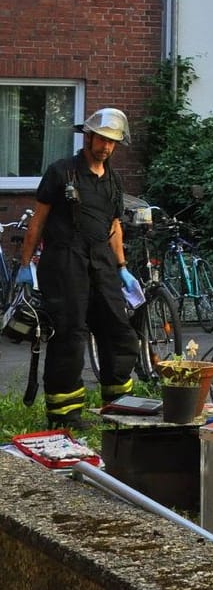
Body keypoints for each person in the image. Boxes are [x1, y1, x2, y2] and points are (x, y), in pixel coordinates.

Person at [14, 108, 143, 428]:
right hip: (64, 261)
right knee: (70, 334)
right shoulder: (61, 173)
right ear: (88, 137)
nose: (106, 147)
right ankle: (65, 413)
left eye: (113, 142)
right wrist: (26, 265)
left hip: (102, 261)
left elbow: (114, 226)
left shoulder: (113, 180)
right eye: (101, 139)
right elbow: (38, 221)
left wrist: (123, 267)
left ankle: (118, 404)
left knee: (119, 330)